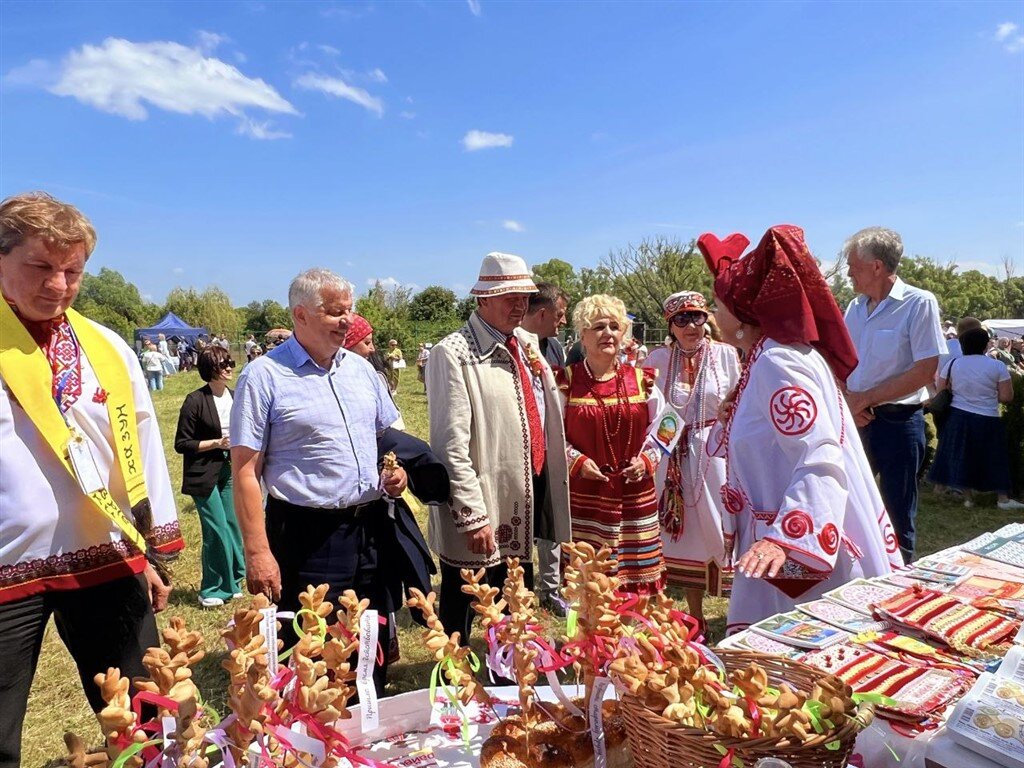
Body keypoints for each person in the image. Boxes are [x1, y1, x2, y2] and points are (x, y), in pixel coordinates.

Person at [0, 192, 182, 765]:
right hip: (6, 568)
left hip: (105, 555)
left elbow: (142, 449)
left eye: (72, 270)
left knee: (145, 720)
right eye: (40, 266)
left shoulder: (107, 348)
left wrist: (151, 550)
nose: (58, 284)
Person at [699, 225, 902, 633]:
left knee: (799, 659)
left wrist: (788, 540)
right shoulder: (770, 356)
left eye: (716, 304)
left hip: (792, 543)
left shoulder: (778, 361)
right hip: (777, 532)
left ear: (741, 317)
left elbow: (820, 453)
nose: (711, 314)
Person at [230, 268, 407, 695]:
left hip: (370, 528)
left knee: (370, 635)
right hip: (307, 534)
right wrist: (257, 550)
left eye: (350, 310)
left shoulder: (362, 372)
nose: (347, 320)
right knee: (314, 647)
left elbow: (388, 434)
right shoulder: (264, 377)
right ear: (301, 315)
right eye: (334, 312)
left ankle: (369, 722)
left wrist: (395, 472)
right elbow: (245, 471)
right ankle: (318, 743)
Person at [426, 252, 571, 641]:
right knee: (467, 596)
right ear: (482, 300)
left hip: (522, 489)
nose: (520, 304)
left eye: (524, 296)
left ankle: (506, 677)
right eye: (510, 297)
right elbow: (449, 443)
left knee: (511, 598)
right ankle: (455, 679)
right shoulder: (453, 353)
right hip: (482, 497)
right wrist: (472, 512)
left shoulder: (525, 342)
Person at [843, 227, 945, 562]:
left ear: (876, 266)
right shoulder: (854, 308)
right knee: (848, 506)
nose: (847, 272)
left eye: (853, 265)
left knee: (898, 514)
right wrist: (849, 400)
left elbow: (925, 369)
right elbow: (841, 361)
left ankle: (900, 593)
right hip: (856, 419)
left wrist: (863, 398)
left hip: (898, 423)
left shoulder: (919, 303)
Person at [556, 294, 666, 594]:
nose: (608, 333)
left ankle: (632, 637)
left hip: (635, 491)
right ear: (582, 335)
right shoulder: (566, 381)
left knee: (636, 578)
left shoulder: (642, 380)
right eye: (598, 326)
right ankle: (587, 639)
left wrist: (646, 462)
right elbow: (551, 434)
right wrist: (575, 461)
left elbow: (667, 428)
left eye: (615, 327)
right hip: (586, 495)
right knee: (587, 581)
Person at [645, 291, 741, 626]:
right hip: (669, 455)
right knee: (680, 536)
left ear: (707, 320)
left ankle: (735, 612)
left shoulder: (726, 355)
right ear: (670, 326)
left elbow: (739, 396)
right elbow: (650, 408)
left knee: (720, 526)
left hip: (714, 453)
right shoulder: (656, 360)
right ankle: (692, 615)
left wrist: (731, 408)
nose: (691, 325)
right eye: (681, 319)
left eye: (697, 317)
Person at [174, 345, 246, 607]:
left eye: (230, 363)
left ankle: (235, 580)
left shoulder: (236, 396)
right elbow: (182, 444)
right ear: (209, 369)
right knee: (216, 529)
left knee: (232, 524)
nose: (229, 367)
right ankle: (213, 589)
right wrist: (217, 442)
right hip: (202, 473)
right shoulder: (195, 400)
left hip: (228, 467)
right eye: (223, 364)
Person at [928, 327, 1024, 510]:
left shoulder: (953, 364)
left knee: (963, 455)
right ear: (986, 344)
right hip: (988, 417)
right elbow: (1006, 397)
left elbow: (941, 390)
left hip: (958, 415)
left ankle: (967, 498)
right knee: (994, 457)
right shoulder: (997, 366)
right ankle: (1002, 498)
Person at [520, 281, 569, 610]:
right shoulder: (511, 346)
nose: (563, 321)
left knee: (550, 519)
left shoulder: (554, 349)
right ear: (542, 312)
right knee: (520, 520)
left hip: (549, 449)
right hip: (518, 452)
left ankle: (551, 588)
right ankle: (517, 589)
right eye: (560, 314)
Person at [343, 313, 406, 430]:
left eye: (371, 342)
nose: (372, 349)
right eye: (366, 343)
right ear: (347, 346)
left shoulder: (374, 375)